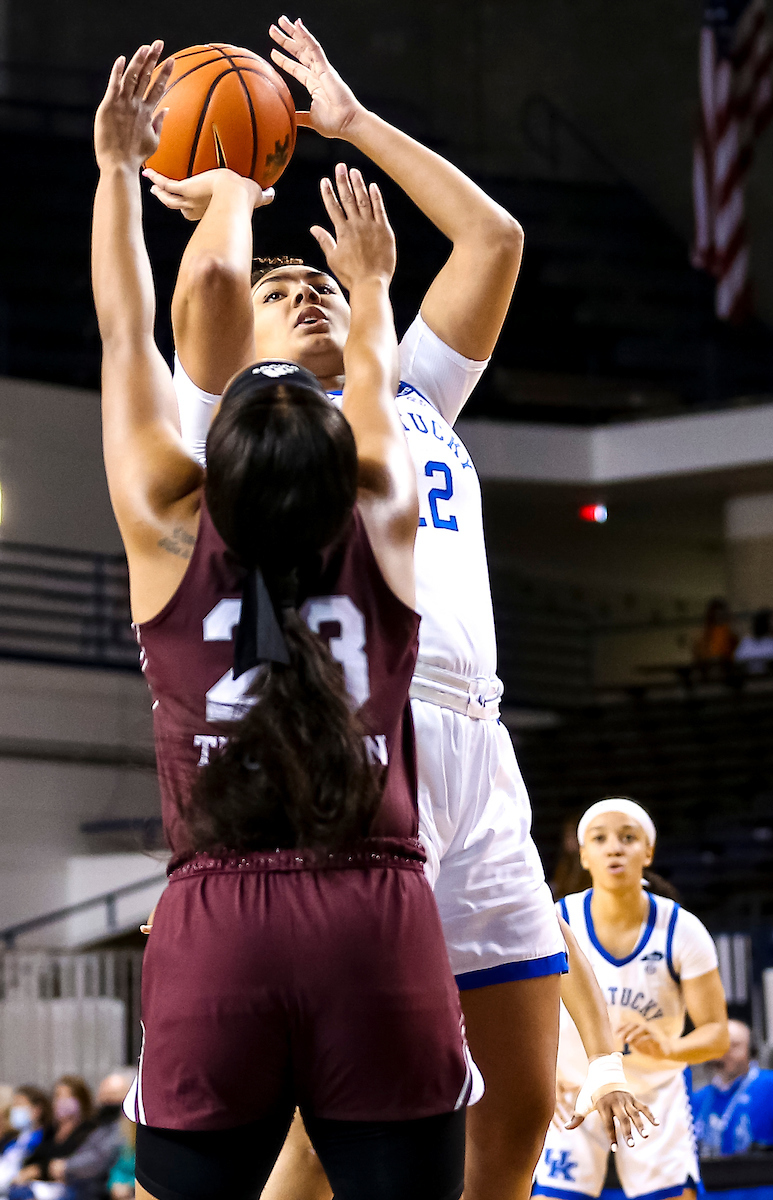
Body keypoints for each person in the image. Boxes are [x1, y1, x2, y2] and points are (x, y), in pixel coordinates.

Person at [145, 18, 566, 1200]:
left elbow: (494, 238)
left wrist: (350, 124)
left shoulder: (402, 394)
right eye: (282, 288)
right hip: (352, 743)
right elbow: (207, 303)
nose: (307, 292)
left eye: (320, 280)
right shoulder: (240, 419)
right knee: (332, 1124)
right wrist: (230, 201)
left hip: (476, 738)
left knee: (520, 1105)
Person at [92, 41, 478, 1200]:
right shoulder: (382, 509)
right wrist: (368, 290)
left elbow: (132, 334)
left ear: (213, 456)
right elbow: (368, 392)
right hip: (378, 917)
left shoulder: (168, 523)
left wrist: (143, 180)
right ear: (344, 454)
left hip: (219, 924)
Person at [534, 797, 730, 1200]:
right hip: (572, 1089)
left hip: (653, 1092)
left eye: (627, 838)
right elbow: (523, 1014)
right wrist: (540, 1077)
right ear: (584, 855)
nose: (615, 848)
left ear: (649, 851)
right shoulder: (556, 921)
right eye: (600, 839)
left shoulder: (681, 929)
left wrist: (670, 1048)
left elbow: (717, 1035)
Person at [693, 1020, 773, 1156]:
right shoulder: (700, 1098)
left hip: (764, 1174)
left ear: (751, 1051)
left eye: (734, 1046)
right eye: (719, 1046)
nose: (726, 1053)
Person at [45, 1071, 135, 1200]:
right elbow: (86, 1150)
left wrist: (67, 1166)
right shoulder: (99, 1123)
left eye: (113, 1095)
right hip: (84, 1184)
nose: (107, 1100)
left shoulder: (125, 1127)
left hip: (99, 1187)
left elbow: (102, 1158)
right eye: (104, 1095)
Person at [12, 1078, 93, 1197]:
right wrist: (37, 1169)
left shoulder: (88, 1130)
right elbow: (35, 1158)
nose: (60, 1101)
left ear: (80, 1101)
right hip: (42, 1186)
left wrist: (41, 1169)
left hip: (71, 1187)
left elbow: (77, 1162)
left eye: (67, 1096)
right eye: (57, 1096)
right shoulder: (50, 1130)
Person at [0, 1089, 50, 1196]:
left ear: (36, 1109)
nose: (15, 1109)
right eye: (14, 1105)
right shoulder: (13, 1139)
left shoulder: (44, 1137)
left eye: (19, 1104)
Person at [693, 599, 738, 665]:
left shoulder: (730, 633)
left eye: (721, 614)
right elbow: (699, 655)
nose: (718, 616)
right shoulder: (704, 635)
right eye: (716, 613)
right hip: (708, 666)